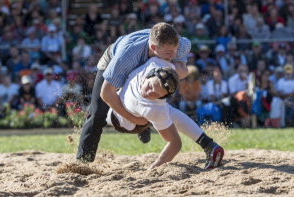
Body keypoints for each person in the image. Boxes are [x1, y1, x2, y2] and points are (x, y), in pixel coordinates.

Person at [77, 23, 222, 167]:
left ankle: (204, 142)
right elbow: (106, 93)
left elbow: (184, 71)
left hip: (149, 64)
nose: (173, 56)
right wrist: (134, 118)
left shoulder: (179, 45)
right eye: (168, 53)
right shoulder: (126, 57)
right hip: (114, 60)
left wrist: (172, 63)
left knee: (158, 105)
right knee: (97, 113)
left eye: (175, 51)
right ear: (153, 47)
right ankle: (83, 162)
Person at [105, 57, 224, 170]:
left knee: (163, 110)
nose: (150, 92)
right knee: (165, 110)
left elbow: (175, 144)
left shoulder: (155, 63)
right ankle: (208, 144)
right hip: (118, 118)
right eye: (151, 86)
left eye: (156, 94)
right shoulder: (156, 66)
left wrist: (153, 169)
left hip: (128, 114)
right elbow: (175, 143)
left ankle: (208, 144)